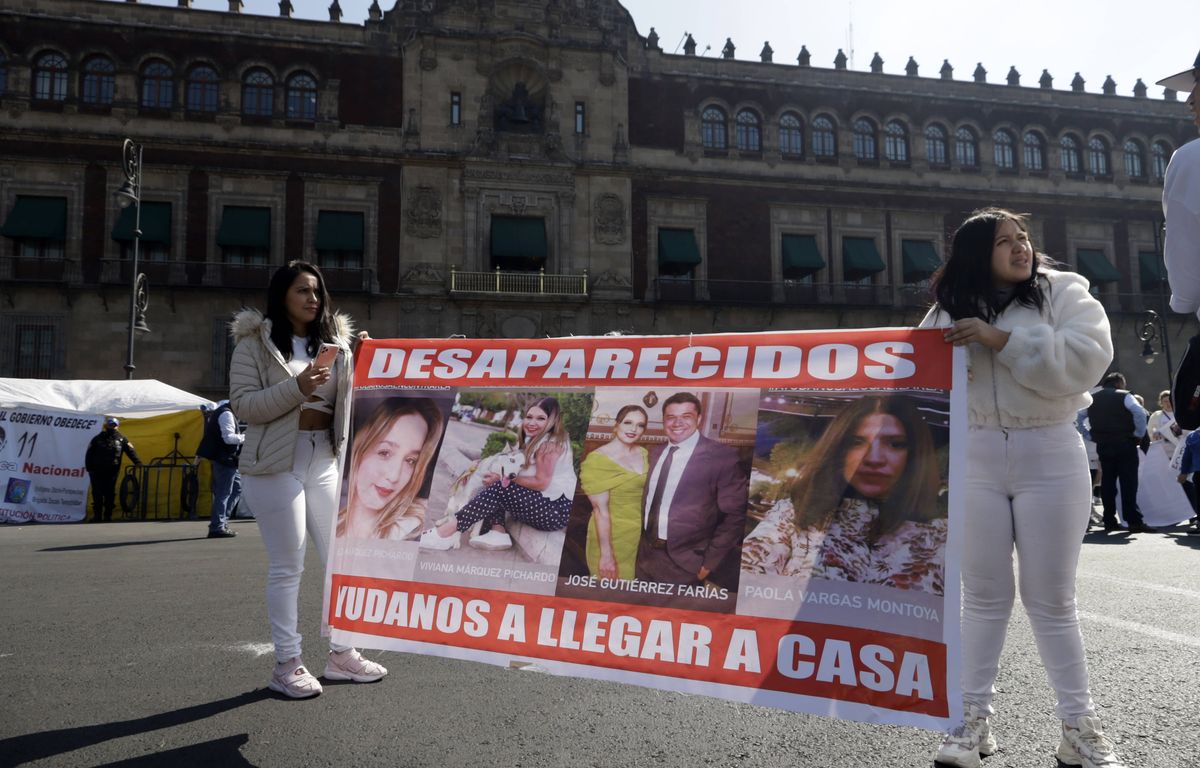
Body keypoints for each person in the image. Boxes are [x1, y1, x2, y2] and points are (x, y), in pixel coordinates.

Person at [921, 208, 1124, 768]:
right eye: (1004, 241)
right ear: (975, 253)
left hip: (1050, 449)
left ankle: (1079, 729)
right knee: (982, 597)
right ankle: (969, 724)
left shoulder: (1065, 292)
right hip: (974, 455)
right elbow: (915, 379)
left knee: (1052, 599)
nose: (1020, 248)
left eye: (1024, 238)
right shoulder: (946, 309)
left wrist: (999, 340)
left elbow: (1086, 362)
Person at [229, 260, 386, 699]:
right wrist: (297, 387)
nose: (313, 299)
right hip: (276, 463)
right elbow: (243, 406)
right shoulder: (253, 346)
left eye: (317, 291)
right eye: (302, 291)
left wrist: (372, 359)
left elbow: (359, 399)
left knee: (340, 561)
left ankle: (342, 654)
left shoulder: (337, 346)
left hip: (325, 458)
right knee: (288, 566)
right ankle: (286, 663)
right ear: (282, 295)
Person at [741, 395, 946, 594]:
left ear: (916, 454)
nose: (873, 458)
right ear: (838, 448)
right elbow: (747, 585)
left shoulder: (940, 539)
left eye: (895, 443)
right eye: (856, 442)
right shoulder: (793, 514)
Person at [420, 397, 576, 551]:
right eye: (529, 417)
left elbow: (541, 483)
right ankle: (498, 531)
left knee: (501, 487)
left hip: (555, 512)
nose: (532, 422)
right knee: (498, 483)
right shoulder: (536, 440)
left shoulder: (549, 445)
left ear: (552, 421)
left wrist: (505, 479)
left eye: (540, 418)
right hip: (543, 504)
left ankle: (445, 533)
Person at [634, 392, 748, 587]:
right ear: (663, 421)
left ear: (699, 419)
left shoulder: (721, 457)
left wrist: (710, 562)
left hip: (686, 564)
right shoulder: (654, 452)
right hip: (644, 557)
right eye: (671, 417)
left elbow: (735, 515)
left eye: (686, 416)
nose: (677, 423)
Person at [337, 397, 443, 541]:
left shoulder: (412, 529)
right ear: (360, 447)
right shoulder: (333, 515)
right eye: (384, 453)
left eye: (410, 461)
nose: (394, 476)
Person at [581, 404, 649, 580]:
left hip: (637, 535)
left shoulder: (643, 453)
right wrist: (606, 554)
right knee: (609, 592)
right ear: (616, 425)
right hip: (609, 537)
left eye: (640, 425)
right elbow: (600, 511)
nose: (634, 429)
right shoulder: (597, 460)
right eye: (628, 422)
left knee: (631, 595)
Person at [1084, 372, 1155, 533]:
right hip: (1125, 444)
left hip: (1103, 445)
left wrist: (1090, 435)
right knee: (1128, 483)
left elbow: (1080, 417)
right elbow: (1139, 412)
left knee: (1108, 483)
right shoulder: (1124, 396)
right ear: (1118, 383)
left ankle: (1109, 519)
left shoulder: (1093, 398)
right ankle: (1133, 520)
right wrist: (1138, 434)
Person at [1159, 50, 1200, 320]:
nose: (1190, 100)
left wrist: (1184, 302)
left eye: (1197, 81)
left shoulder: (1191, 159)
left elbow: (1184, 259)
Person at [195, 400, 243, 539]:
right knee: (224, 492)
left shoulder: (225, 412)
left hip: (227, 459)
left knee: (235, 489)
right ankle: (217, 526)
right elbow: (228, 438)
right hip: (225, 459)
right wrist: (247, 437)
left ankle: (221, 522)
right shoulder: (226, 414)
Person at [84, 417, 142, 522]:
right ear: (107, 426)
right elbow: (89, 453)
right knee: (97, 493)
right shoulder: (97, 438)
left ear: (118, 426)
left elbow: (131, 451)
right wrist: (89, 468)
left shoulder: (122, 439)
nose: (112, 427)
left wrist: (138, 462)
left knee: (109, 493)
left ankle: (108, 516)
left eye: (114, 425)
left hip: (112, 471)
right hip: (97, 471)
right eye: (111, 425)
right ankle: (97, 516)